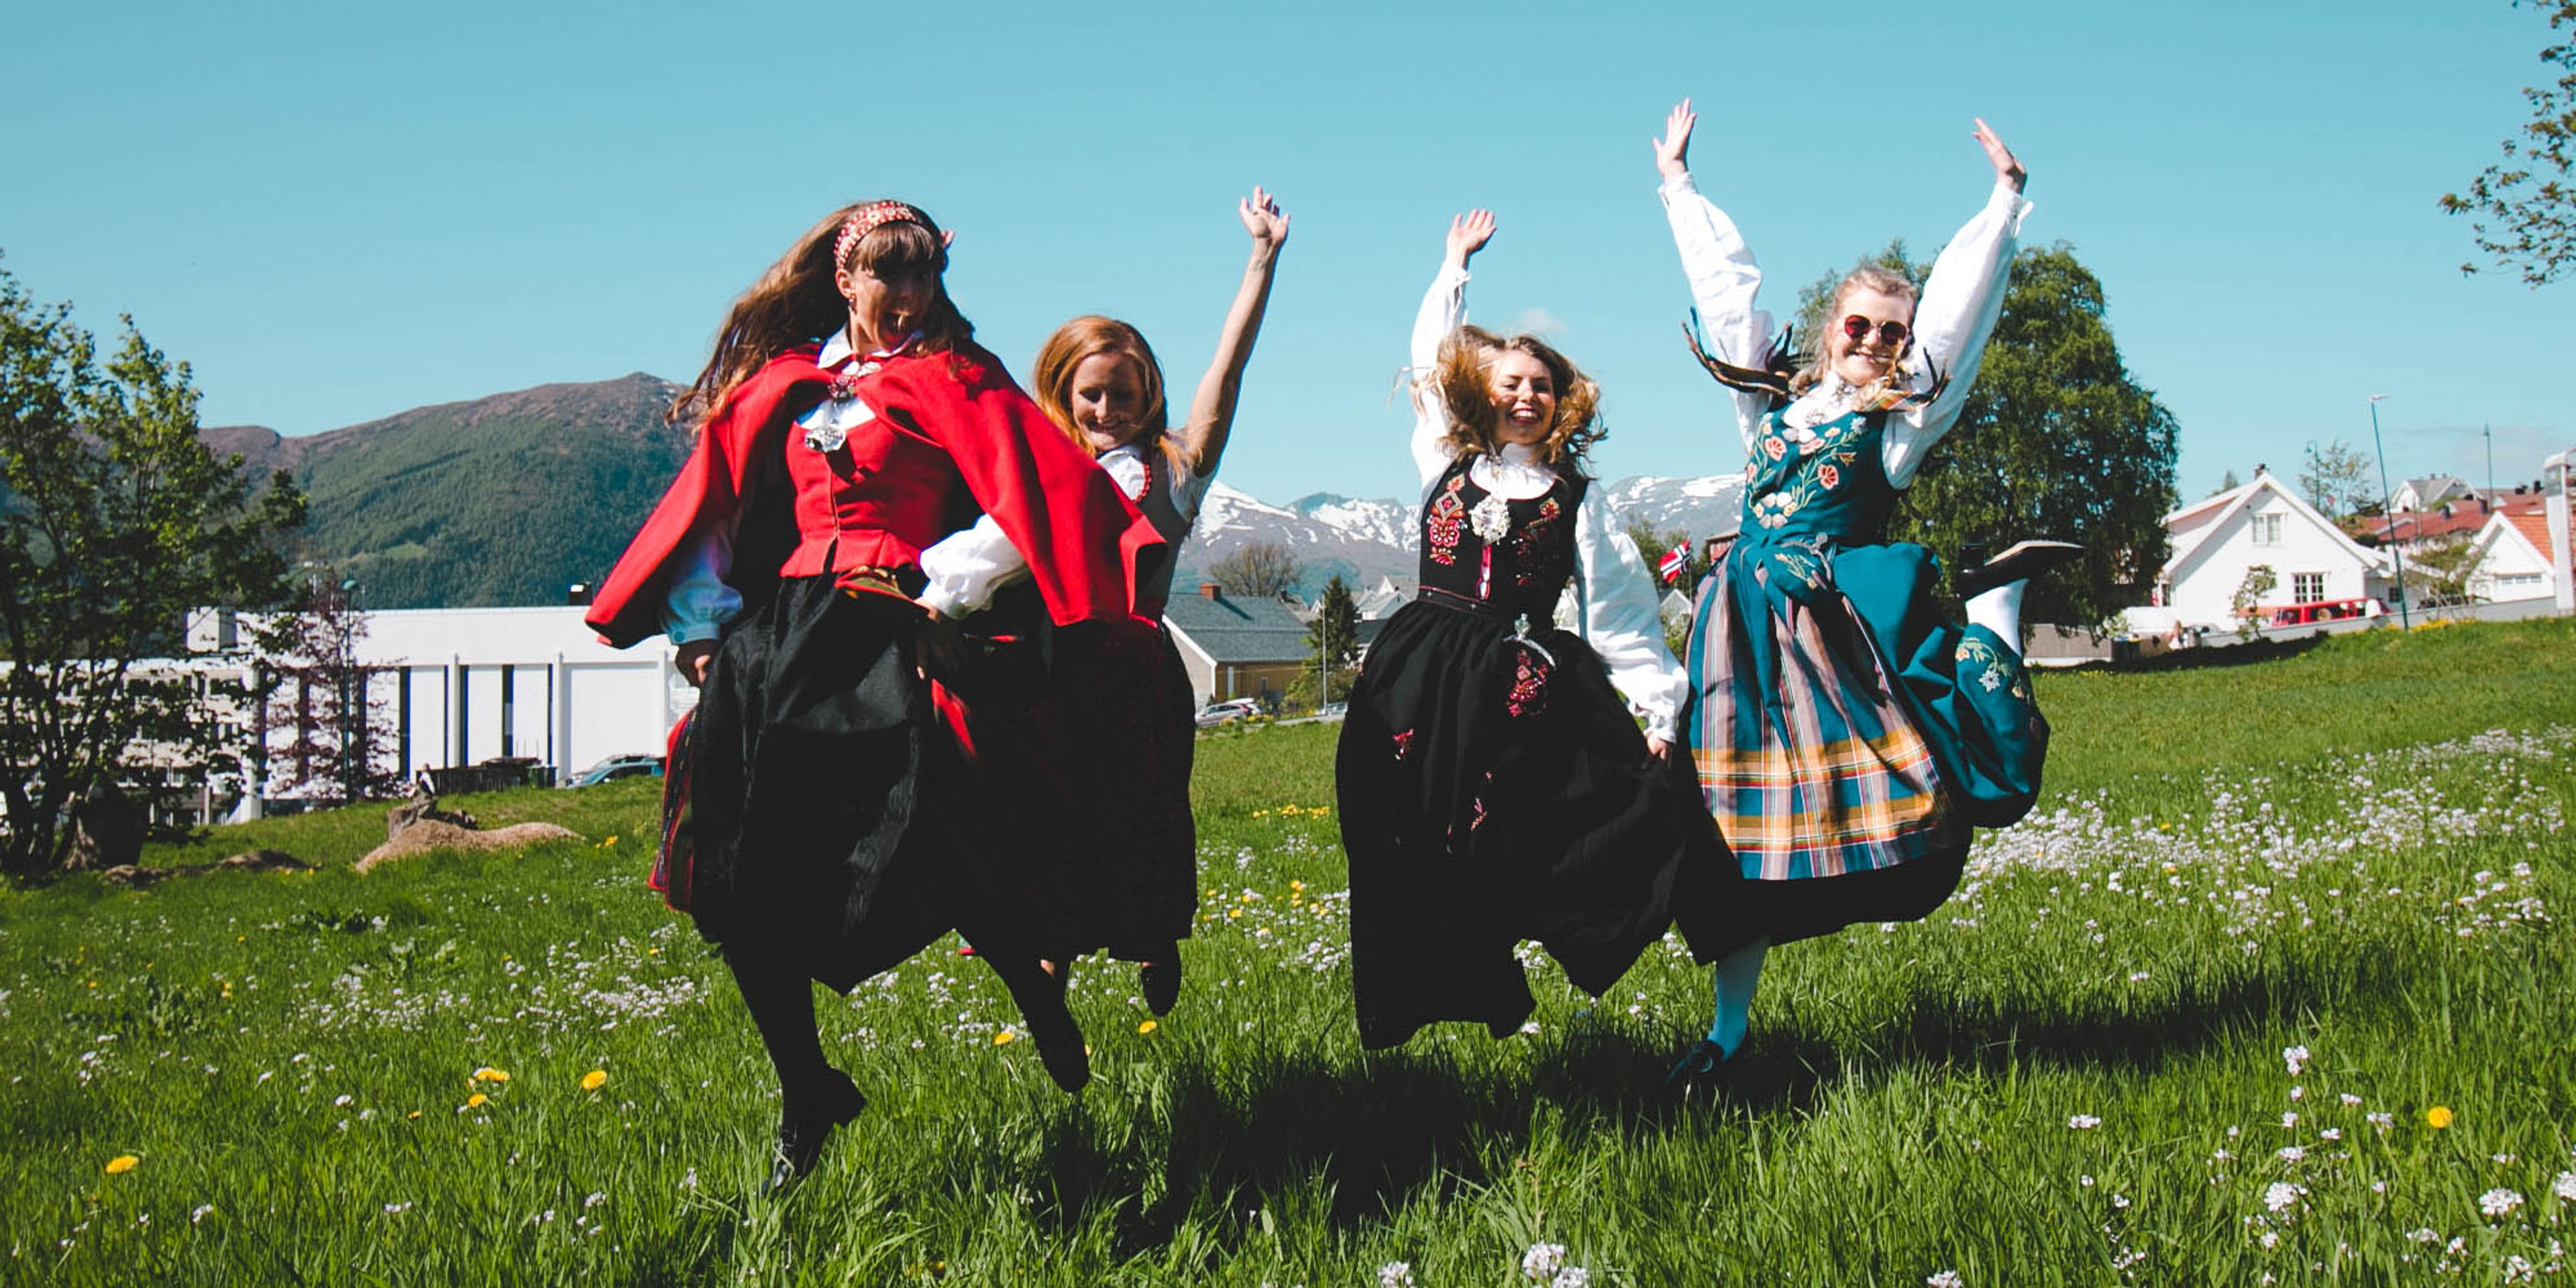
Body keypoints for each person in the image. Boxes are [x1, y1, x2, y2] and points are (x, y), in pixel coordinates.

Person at [584, 199, 1162, 1185]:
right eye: (886, 276)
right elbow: (713, 513)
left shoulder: (958, 380)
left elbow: (1034, 495)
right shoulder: (784, 388)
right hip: (784, 640)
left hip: (899, 622)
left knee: (937, 822)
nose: (906, 296)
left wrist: (944, 584)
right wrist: (700, 631)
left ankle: (1027, 974)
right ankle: (806, 1086)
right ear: (844, 282)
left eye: (923, 276)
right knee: (737, 868)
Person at [1651, 101, 2078, 1079]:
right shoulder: (1769, 407)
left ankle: (1996, 615)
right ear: (1827, 326)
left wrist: (2002, 207)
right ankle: (1725, 1036)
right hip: (1737, 636)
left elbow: (1960, 331)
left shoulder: (1893, 429)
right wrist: (1678, 184)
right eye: (1860, 324)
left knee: (1919, 772)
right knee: (1725, 838)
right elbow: (1727, 298)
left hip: (1830, 642)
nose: (1875, 342)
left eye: (1893, 331)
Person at [1335, 209, 1720, 1050]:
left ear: (1560, 402)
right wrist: (1452, 267)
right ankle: (1435, 984)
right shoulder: (1442, 456)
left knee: (1518, 831)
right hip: (1423, 673)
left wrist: (1659, 710)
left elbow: (1620, 608)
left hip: (1518, 680)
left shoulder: (1578, 501)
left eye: (1541, 384)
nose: (1524, 393)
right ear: (1482, 392)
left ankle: (1521, 948)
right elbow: (1429, 357)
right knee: (1408, 835)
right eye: (1509, 380)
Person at [909, 188, 1291, 1015]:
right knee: (1050, 828)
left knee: (1143, 822)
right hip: (1050, 673)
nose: (1108, 411)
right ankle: (1050, 976)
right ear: (1063, 393)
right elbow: (973, 381)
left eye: (1123, 394)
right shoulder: (1041, 469)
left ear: (1147, 392)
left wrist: (1261, 262)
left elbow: (1228, 375)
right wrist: (931, 282)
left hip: (1135, 673)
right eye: (1091, 396)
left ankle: (1154, 941)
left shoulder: (1175, 472)